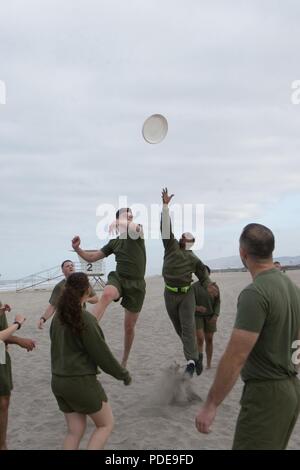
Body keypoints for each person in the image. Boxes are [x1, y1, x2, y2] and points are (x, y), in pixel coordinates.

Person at [195, 223, 300, 450]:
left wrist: (211, 404)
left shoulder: (255, 293)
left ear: (243, 254)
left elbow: (236, 356)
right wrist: (291, 369)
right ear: (271, 251)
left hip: (266, 394)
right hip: (291, 389)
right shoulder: (292, 288)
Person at [50, 272, 131, 450]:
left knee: (75, 431)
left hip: (58, 382)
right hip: (80, 382)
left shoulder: (57, 319)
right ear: (87, 291)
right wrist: (122, 374)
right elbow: (102, 355)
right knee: (105, 425)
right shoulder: (85, 319)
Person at [72, 207, 146, 368]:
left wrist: (120, 221)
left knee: (129, 327)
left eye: (132, 216)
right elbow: (91, 258)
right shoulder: (114, 242)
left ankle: (125, 359)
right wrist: (78, 248)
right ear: (119, 218)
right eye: (127, 216)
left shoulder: (137, 232)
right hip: (119, 278)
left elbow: (134, 228)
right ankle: (86, 330)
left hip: (137, 285)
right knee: (107, 294)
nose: (131, 218)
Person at [161, 188, 211, 377]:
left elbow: (203, 274)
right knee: (180, 330)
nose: (182, 238)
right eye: (182, 236)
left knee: (188, 327)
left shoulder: (193, 258)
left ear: (192, 242)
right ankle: (196, 356)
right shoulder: (171, 247)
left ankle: (190, 363)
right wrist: (165, 207)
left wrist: (209, 285)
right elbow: (166, 230)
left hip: (186, 295)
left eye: (186, 238)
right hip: (169, 293)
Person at [0, 300, 35, 450]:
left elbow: (3, 334)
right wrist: (17, 324)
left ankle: (2, 444)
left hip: (0, 356)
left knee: (3, 402)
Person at [38, 260, 98, 329]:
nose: (70, 267)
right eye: (67, 266)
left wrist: (85, 299)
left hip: (80, 316)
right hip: (65, 320)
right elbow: (53, 306)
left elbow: (96, 299)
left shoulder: (83, 282)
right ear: (62, 271)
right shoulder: (60, 286)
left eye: (72, 265)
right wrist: (43, 318)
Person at [193, 266, 221, 369]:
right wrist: (196, 307)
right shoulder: (194, 287)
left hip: (210, 316)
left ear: (209, 274)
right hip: (197, 317)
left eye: (205, 273)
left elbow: (218, 302)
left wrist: (216, 315)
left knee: (209, 339)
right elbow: (188, 303)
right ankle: (199, 362)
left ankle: (208, 364)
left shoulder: (214, 286)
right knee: (200, 339)